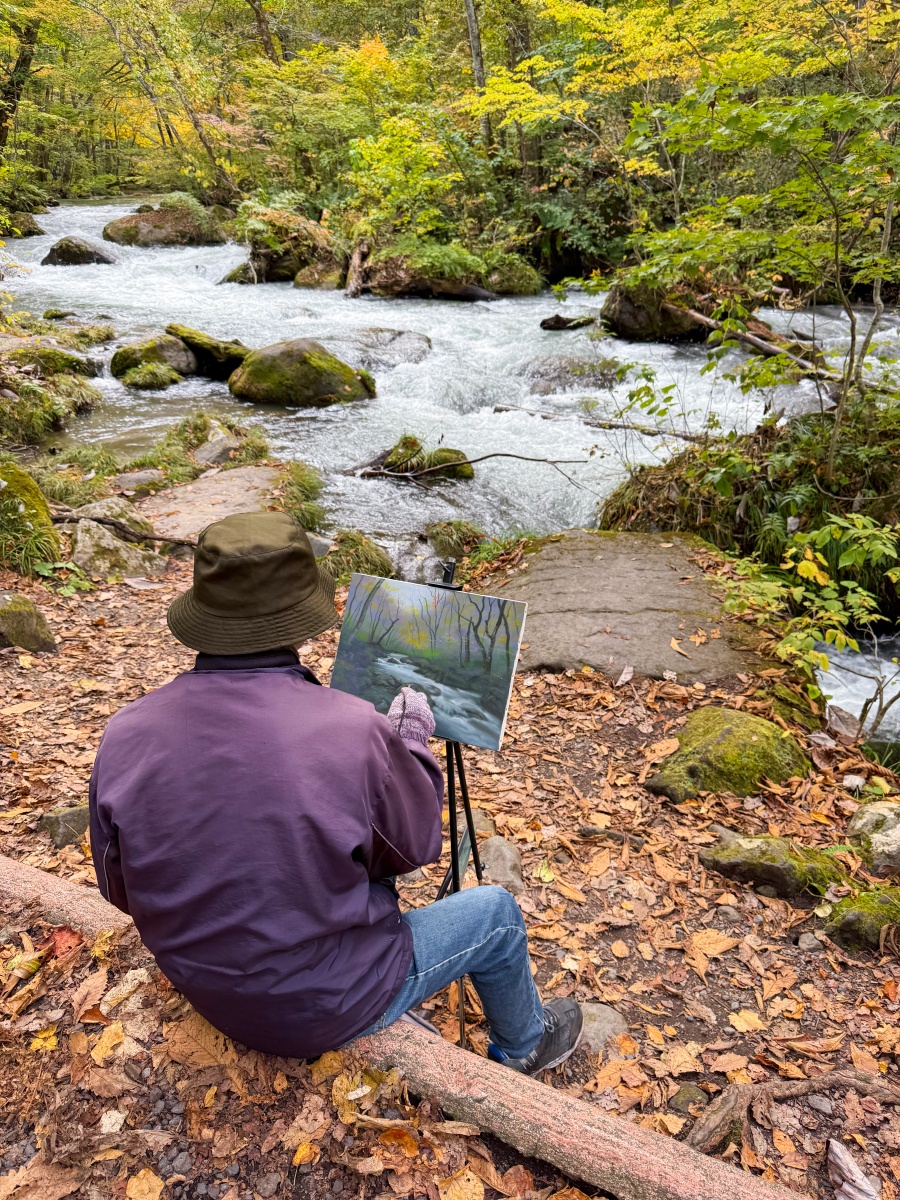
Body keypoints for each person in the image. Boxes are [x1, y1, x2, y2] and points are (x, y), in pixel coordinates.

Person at [89, 512, 582, 1074]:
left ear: (205, 615)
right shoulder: (353, 731)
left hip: (201, 985)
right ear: (302, 619)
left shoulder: (125, 731)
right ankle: (526, 1047)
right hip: (320, 1004)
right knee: (495, 913)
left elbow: (118, 886)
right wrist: (412, 746)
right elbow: (415, 848)